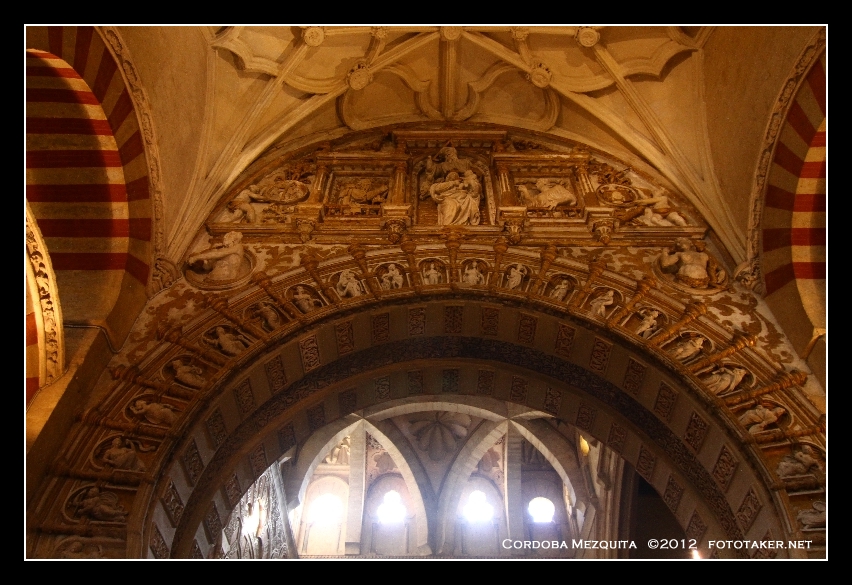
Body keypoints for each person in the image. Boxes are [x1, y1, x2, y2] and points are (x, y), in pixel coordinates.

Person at [659, 237, 724, 289]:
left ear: (690, 243)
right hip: (685, 278)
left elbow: (715, 266)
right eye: (678, 244)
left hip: (703, 281)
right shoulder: (679, 254)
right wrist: (665, 252)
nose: (679, 244)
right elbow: (665, 263)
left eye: (681, 242)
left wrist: (722, 272)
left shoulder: (704, 255)